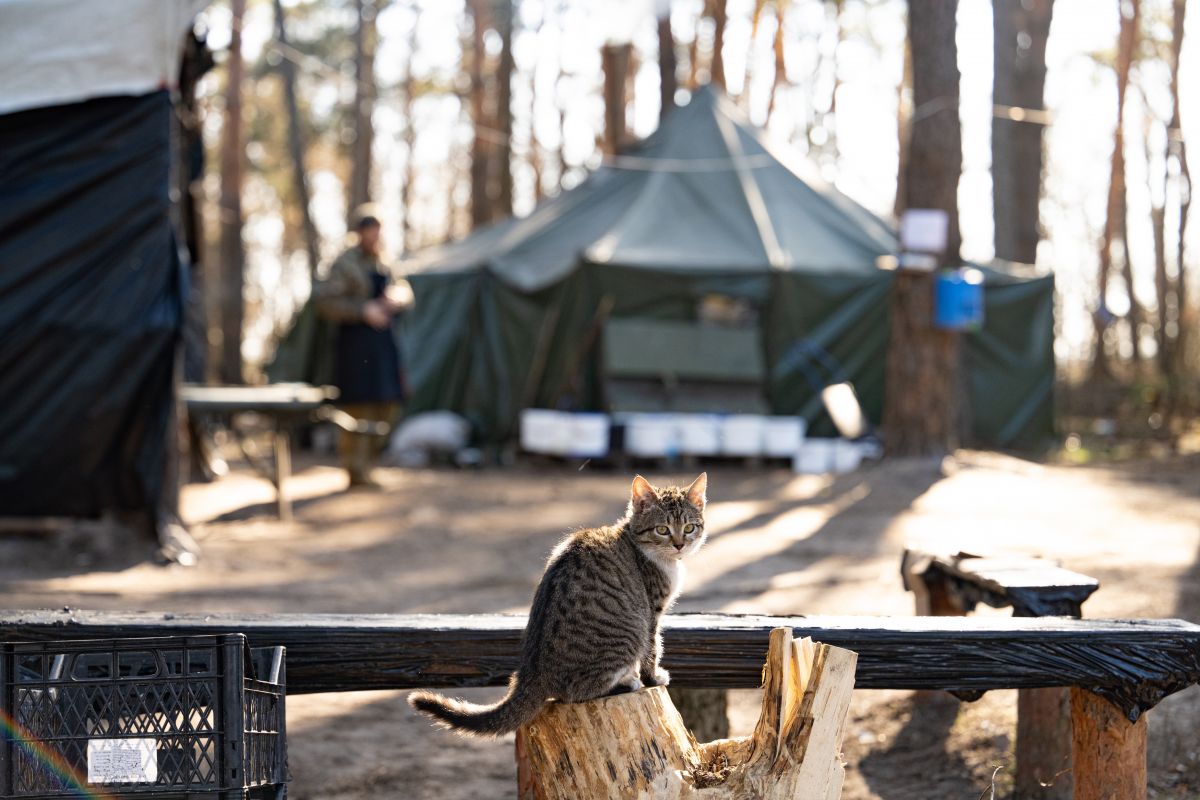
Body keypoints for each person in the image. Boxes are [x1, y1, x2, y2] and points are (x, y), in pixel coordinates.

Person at [314, 204, 413, 488]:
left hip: (383, 346)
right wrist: (362, 310)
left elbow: (405, 290)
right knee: (357, 408)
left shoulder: (386, 263)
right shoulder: (345, 264)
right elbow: (324, 301)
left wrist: (398, 298)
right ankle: (355, 470)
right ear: (359, 232)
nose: (374, 235)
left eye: (377, 230)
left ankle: (370, 465)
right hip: (355, 346)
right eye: (369, 230)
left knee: (386, 404)